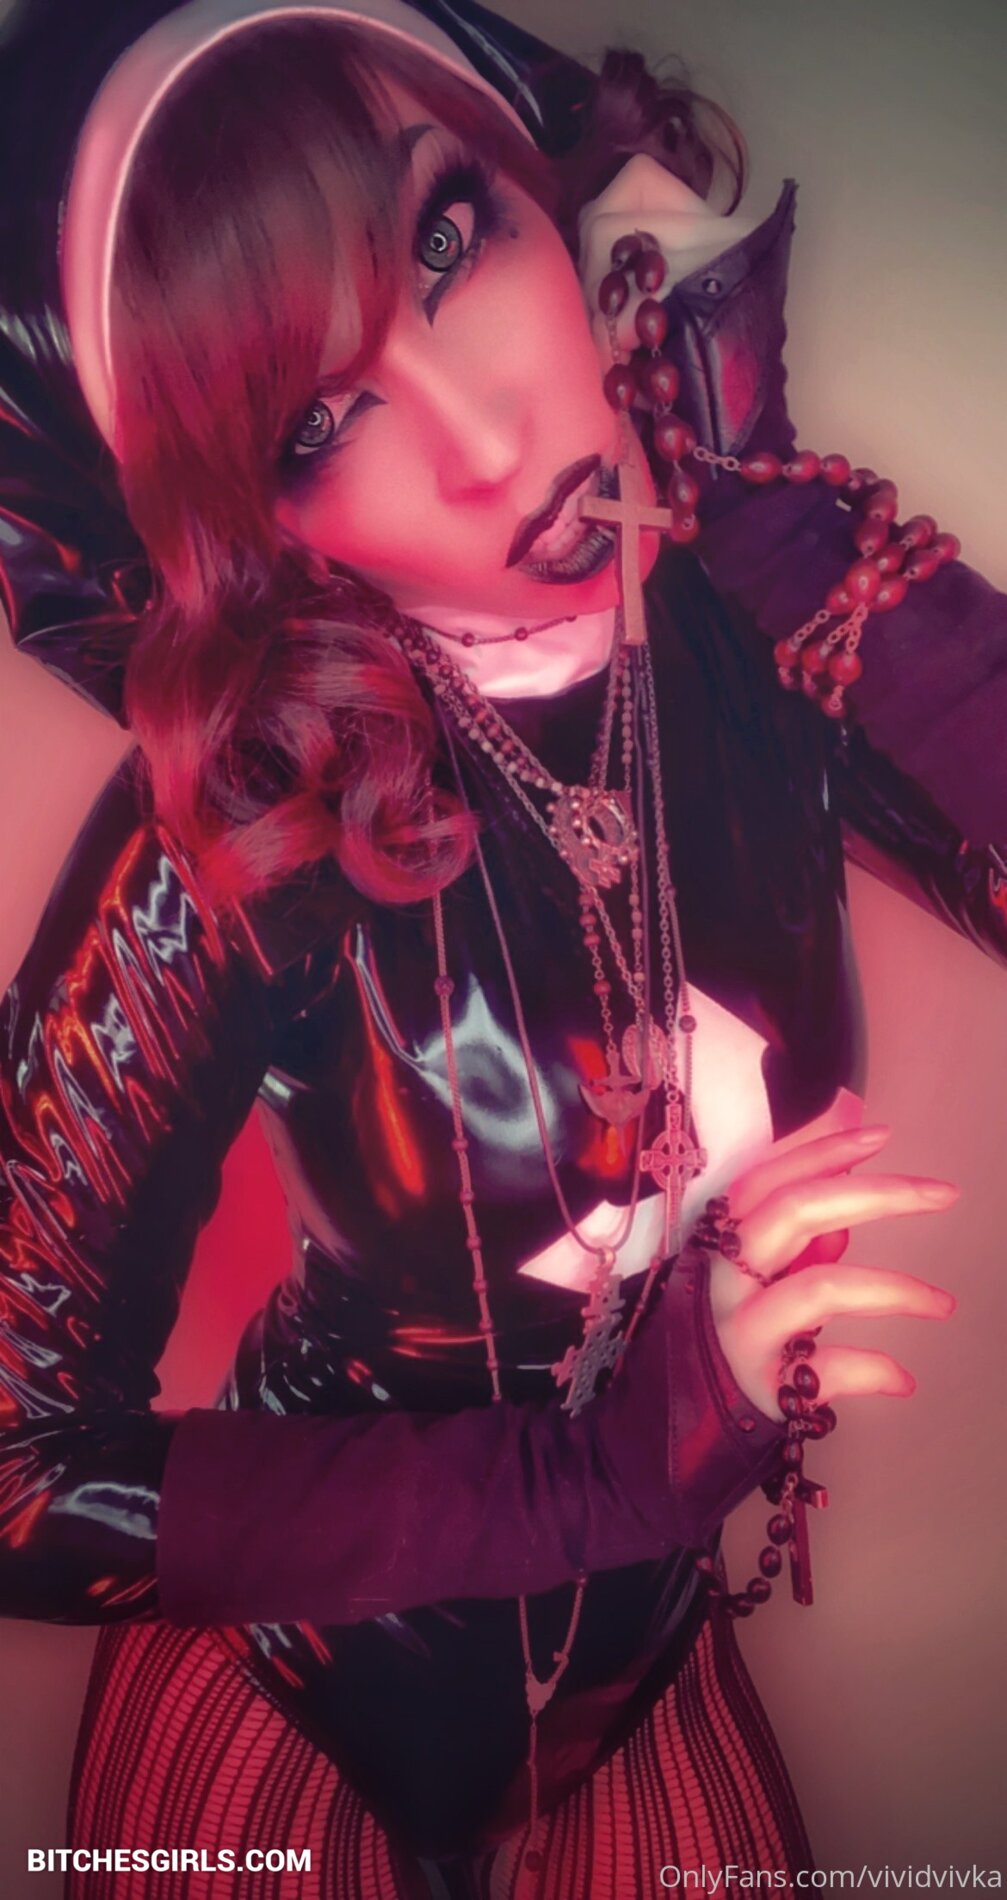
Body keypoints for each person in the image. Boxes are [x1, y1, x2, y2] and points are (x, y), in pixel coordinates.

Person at [0, 1, 1004, 1895]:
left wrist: (774, 520)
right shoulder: (251, 804)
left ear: (561, 201)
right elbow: (12, 1463)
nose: (483, 442)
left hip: (640, 1680)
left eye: (452, 240)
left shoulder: (754, 619)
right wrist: (618, 1469)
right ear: (249, 514)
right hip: (301, 1708)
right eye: (317, 422)